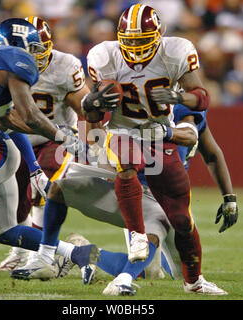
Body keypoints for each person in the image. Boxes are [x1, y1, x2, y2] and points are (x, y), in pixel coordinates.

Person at [13, 102, 237, 295]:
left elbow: (210, 152)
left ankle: (83, 255)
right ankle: (88, 261)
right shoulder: (139, 107)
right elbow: (103, 141)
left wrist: (229, 198)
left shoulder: (187, 109)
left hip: (167, 197)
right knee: (61, 186)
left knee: (166, 272)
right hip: (134, 189)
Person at [0, 18, 108, 276]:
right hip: (1, 149)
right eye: (31, 48)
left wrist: (52, 148)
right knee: (6, 231)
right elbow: (9, 119)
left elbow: (24, 116)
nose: (35, 55)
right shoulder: (2, 64)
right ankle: (76, 253)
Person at [82, 3, 213, 292]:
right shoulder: (104, 56)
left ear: (158, 36)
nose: (136, 49)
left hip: (159, 135)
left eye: (142, 41)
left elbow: (202, 98)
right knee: (128, 164)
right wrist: (91, 105)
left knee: (181, 218)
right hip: (121, 130)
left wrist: (180, 99)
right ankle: (137, 234)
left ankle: (195, 281)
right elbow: (92, 112)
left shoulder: (175, 51)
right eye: (130, 42)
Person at [0, 16, 94, 272]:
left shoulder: (64, 65)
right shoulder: (1, 67)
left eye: (39, 49)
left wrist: (93, 106)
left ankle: (41, 256)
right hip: (19, 139)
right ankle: (20, 251)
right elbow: (5, 115)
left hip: (55, 138)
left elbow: (83, 105)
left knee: (44, 190)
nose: (34, 55)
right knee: (15, 203)